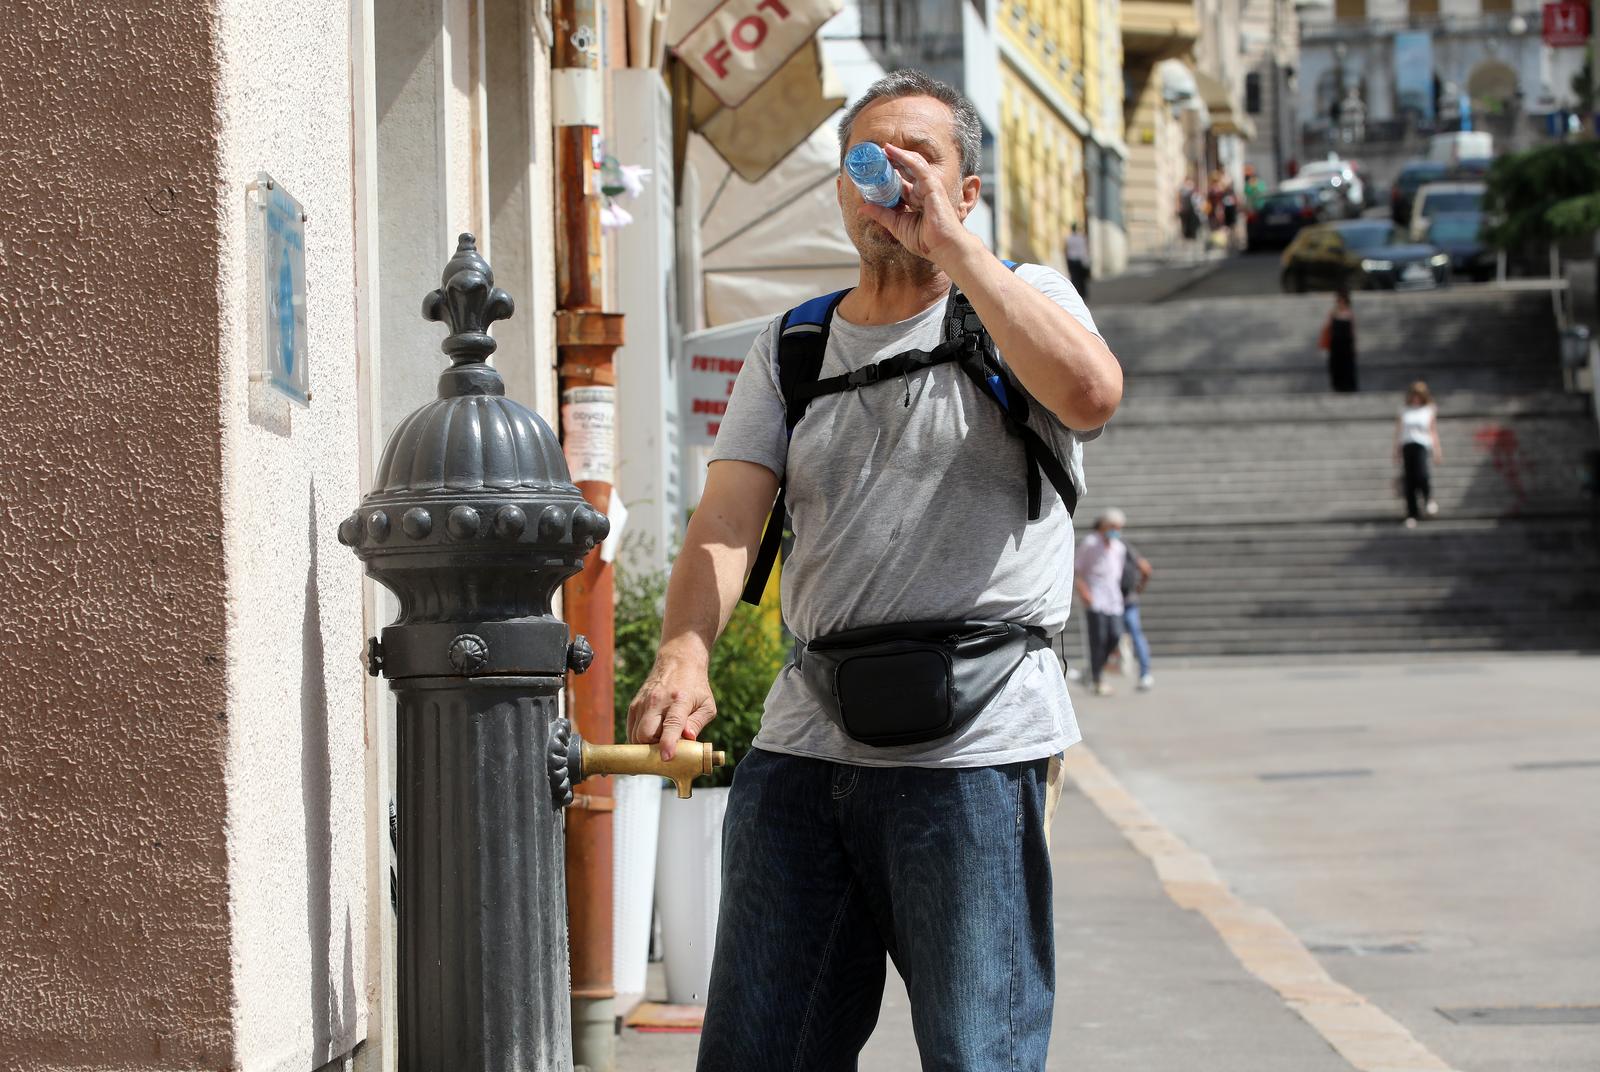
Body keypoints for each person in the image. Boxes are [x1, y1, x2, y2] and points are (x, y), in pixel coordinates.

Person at [626, 70, 1122, 1070]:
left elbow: (1088, 392)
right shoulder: (794, 344)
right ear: (842, 192)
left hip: (975, 744)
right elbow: (728, 520)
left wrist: (954, 250)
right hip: (807, 744)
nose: (890, 178)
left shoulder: (1021, 300)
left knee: (977, 1052)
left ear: (968, 189)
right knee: (761, 1051)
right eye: (869, 160)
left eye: (920, 157)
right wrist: (683, 650)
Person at [1074, 509, 1128, 696]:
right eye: (1113, 527)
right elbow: (1078, 570)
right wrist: (1083, 591)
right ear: (1104, 525)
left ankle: (1094, 670)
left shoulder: (1118, 547)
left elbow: (1118, 574)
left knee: (1115, 635)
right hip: (1095, 598)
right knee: (1098, 639)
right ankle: (1097, 679)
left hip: (1114, 600)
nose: (1115, 531)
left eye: (1118, 528)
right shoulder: (1090, 543)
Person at [1394, 380, 1442, 529]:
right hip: (1407, 445)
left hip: (1421, 445)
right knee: (1409, 481)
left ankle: (1428, 499)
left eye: (1419, 395)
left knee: (1422, 475)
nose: (1416, 398)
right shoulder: (1404, 410)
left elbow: (1433, 431)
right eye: (1414, 394)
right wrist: (1396, 451)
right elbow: (1399, 432)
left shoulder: (1429, 410)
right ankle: (1411, 513)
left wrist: (1437, 450)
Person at [1119, 535, 1155, 690]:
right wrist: (1139, 588)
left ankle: (1145, 672)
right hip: (1123, 600)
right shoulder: (1124, 545)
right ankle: (1144, 673)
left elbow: (1145, 569)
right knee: (1135, 634)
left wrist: (1139, 588)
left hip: (1122, 601)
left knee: (1134, 634)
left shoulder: (1122, 546)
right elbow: (1146, 569)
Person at [1321, 286, 1358, 392]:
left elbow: (1352, 331)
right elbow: (1327, 328)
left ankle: (1348, 386)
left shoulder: (1349, 313)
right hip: (1336, 344)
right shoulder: (1333, 313)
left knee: (1347, 366)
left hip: (1346, 345)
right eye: (1339, 300)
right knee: (1336, 366)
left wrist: (1354, 345)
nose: (1341, 303)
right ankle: (1338, 386)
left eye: (1343, 301)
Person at [1065, 222, 1091, 300]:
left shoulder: (1069, 238)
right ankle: (1083, 294)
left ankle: (1076, 294)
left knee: (1074, 278)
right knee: (1082, 280)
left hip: (1072, 260)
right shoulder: (1081, 238)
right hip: (1080, 260)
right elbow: (1085, 249)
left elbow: (1066, 250)